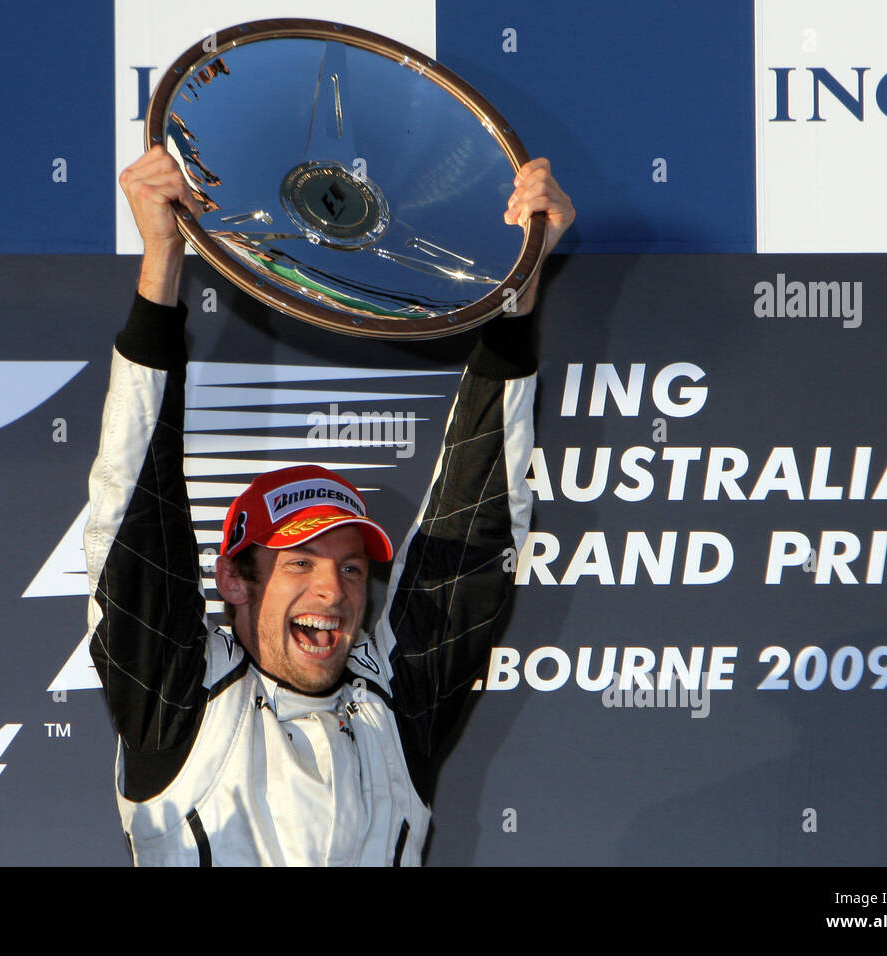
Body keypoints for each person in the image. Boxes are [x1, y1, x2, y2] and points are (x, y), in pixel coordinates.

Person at [86, 146, 574, 865]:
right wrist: (161, 263)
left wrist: (521, 277)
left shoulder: (394, 709)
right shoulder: (181, 704)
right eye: (302, 561)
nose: (333, 591)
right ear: (234, 580)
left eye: (351, 570)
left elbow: (479, 507)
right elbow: (134, 512)